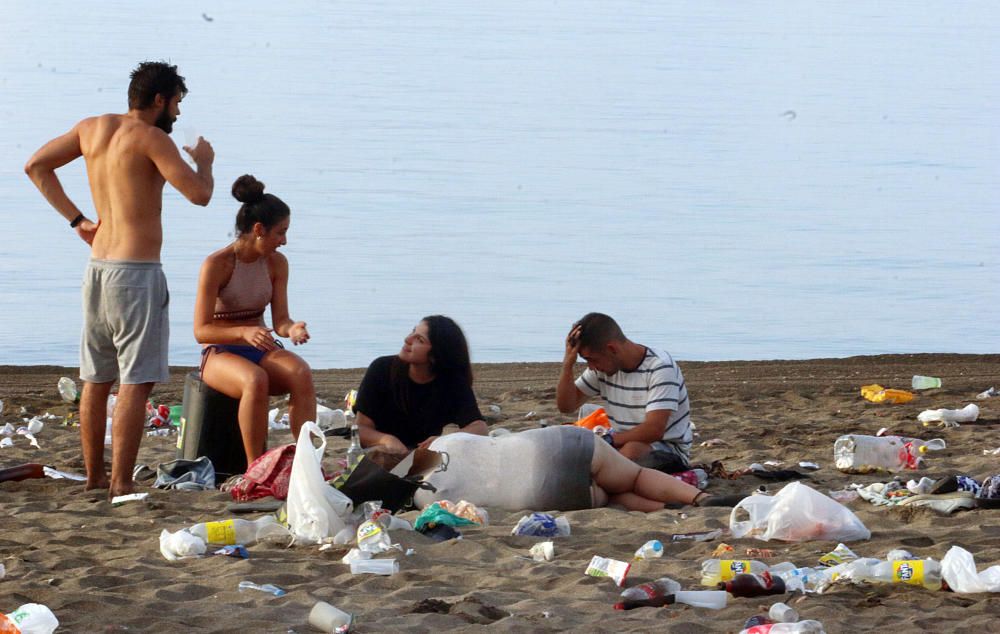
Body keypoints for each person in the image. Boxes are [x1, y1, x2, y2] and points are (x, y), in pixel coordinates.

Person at [25, 61, 215, 496]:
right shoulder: (152, 138)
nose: (179, 115)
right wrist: (204, 163)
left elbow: (36, 166)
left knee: (96, 378)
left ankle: (95, 478)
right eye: (177, 104)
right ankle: (120, 482)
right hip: (137, 272)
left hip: (97, 267)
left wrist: (77, 221)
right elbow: (200, 195)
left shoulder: (91, 128)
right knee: (135, 380)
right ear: (159, 100)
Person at [194, 175, 315, 464]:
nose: (284, 241)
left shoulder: (277, 264)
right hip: (219, 351)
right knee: (255, 380)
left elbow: (281, 320)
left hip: (259, 347)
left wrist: (293, 328)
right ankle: (255, 467)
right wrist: (243, 333)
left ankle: (306, 462)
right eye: (280, 233)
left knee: (301, 372)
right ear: (259, 229)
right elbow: (201, 330)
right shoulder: (217, 264)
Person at [414, 426, 740, 512]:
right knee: (633, 476)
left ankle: (665, 506)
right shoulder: (448, 443)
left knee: (612, 498)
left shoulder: (425, 500)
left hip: (549, 492)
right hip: (563, 445)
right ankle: (698, 499)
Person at [556, 312, 693, 470]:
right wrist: (567, 365)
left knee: (630, 451)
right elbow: (566, 406)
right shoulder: (602, 369)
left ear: (612, 348)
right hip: (620, 443)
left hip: (666, 450)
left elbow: (654, 430)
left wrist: (609, 440)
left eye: (592, 359)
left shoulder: (659, 367)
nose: (591, 367)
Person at [354, 316, 489, 453]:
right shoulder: (382, 369)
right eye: (413, 332)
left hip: (422, 457)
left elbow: (479, 427)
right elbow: (360, 429)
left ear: (435, 355)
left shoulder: (451, 382)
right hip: (380, 452)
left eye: (419, 339)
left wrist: (444, 440)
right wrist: (387, 440)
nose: (408, 339)